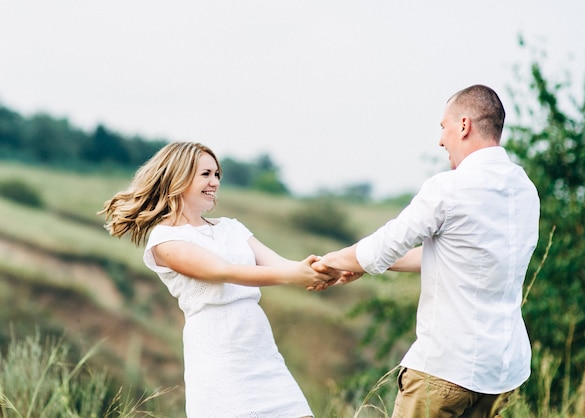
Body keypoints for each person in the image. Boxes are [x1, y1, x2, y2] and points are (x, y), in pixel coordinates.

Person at [314, 84, 540, 418]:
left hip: (446, 368)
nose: (440, 140)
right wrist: (369, 265)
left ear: (464, 125)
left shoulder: (448, 188)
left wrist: (329, 262)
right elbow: (456, 257)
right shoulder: (524, 189)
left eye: (443, 127)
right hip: (502, 372)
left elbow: (383, 246)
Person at [100, 141, 340, 418]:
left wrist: (330, 268)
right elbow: (222, 271)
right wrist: (292, 276)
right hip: (218, 352)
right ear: (178, 175)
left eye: (217, 175)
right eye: (206, 174)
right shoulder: (164, 240)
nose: (214, 182)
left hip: (260, 349)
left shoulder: (232, 227)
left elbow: (283, 265)